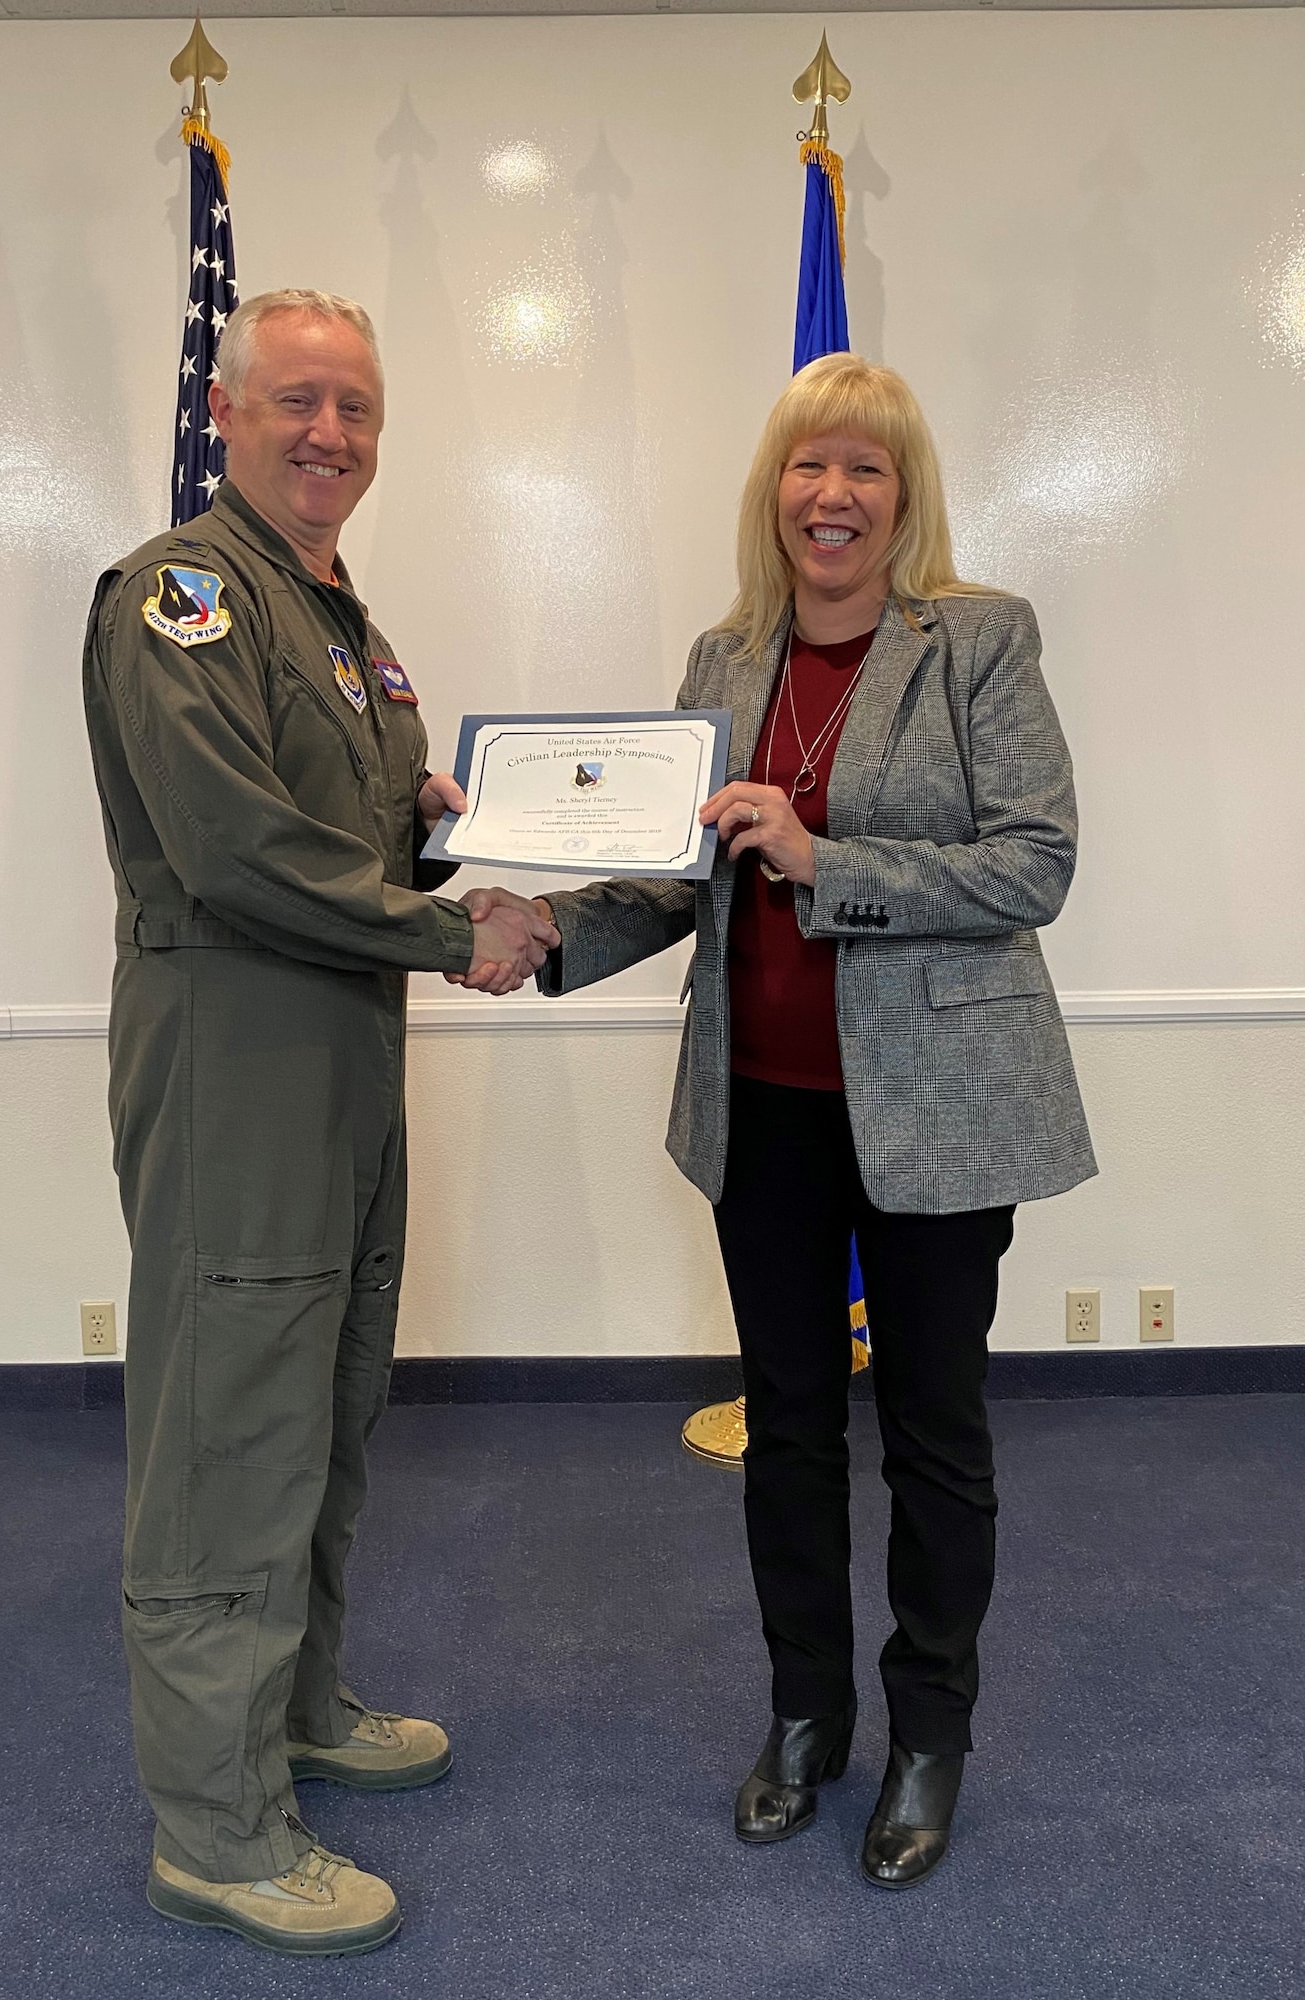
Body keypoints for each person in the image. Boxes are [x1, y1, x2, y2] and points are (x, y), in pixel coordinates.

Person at [465, 352, 1095, 1890]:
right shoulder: (723, 656)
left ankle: (928, 1736)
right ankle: (806, 1718)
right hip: (765, 1116)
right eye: (810, 469)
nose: (834, 497)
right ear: (775, 494)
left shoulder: (980, 642)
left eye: (866, 471)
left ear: (905, 496)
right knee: (792, 1430)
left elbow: (1035, 864)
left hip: (941, 1112)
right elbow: (676, 877)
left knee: (938, 1439)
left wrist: (829, 859)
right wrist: (541, 930)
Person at [82, 288, 557, 1957]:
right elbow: (236, 851)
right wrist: (455, 925)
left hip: (347, 1062)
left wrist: (449, 832)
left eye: (356, 408)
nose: (329, 434)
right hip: (238, 1069)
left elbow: (346, 834)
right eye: (297, 400)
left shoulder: (345, 619)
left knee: (326, 1395)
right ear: (229, 411)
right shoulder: (187, 595)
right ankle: (214, 1830)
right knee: (230, 1430)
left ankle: (288, 1708)